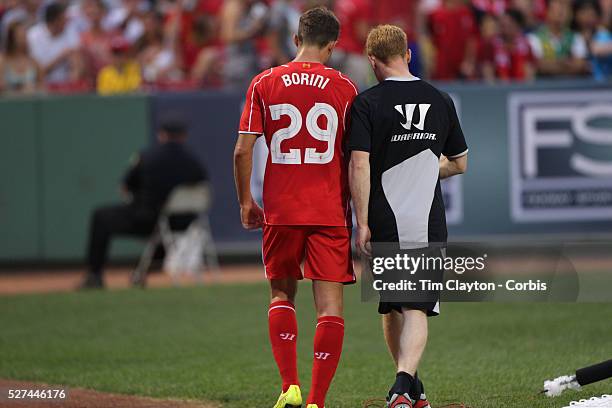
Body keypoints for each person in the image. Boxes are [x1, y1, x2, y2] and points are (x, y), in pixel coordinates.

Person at [233, 7, 358, 408]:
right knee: (330, 307)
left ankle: (289, 387)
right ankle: (317, 401)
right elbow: (356, 159)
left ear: (295, 39)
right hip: (328, 211)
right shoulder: (345, 88)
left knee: (281, 296)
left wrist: (245, 201)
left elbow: (242, 150)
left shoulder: (265, 82)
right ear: (333, 45)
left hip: (282, 210)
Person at [347, 25, 468, 408]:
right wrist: (421, 168)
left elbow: (360, 165)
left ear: (372, 60)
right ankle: (409, 387)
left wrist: (362, 221)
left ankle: (404, 386)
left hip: (384, 215)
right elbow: (460, 163)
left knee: (394, 304)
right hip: (426, 216)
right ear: (408, 54)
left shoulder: (366, 104)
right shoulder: (440, 98)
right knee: (414, 306)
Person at [81, 121, 207, 289]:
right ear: (184, 136)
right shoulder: (194, 162)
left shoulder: (148, 157)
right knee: (163, 231)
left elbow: (125, 187)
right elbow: (202, 187)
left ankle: (94, 276)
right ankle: (140, 273)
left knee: (100, 216)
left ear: (161, 135)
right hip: (184, 222)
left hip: (147, 219)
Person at [26, 2, 84, 86]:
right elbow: (38, 72)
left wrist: (72, 84)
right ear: (54, 21)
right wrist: (61, 57)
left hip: (66, 87)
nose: (66, 21)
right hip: (42, 87)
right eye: (63, 19)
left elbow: (78, 62)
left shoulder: (70, 31)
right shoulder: (33, 35)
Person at [527, 0, 590, 76]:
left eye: (564, 10)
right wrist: (567, 62)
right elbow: (540, 66)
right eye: (557, 10)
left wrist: (553, 63)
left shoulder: (576, 38)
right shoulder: (534, 38)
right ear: (547, 12)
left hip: (571, 84)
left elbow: (580, 65)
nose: (561, 13)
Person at [0, 20, 41, 94]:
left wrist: (34, 88)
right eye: (20, 37)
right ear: (11, 39)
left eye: (25, 36)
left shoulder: (34, 62)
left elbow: (42, 86)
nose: (23, 40)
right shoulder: (2, 60)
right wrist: (20, 89)